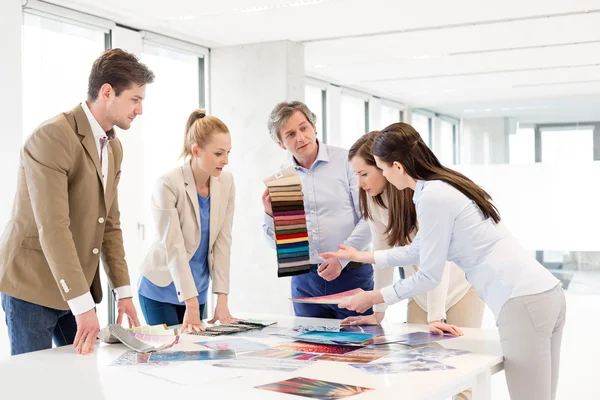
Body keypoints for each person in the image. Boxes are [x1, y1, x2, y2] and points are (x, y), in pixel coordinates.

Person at [321, 122, 565, 400]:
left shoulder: (431, 197)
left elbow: (429, 275)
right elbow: (418, 250)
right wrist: (361, 257)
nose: (384, 177)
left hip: (521, 301)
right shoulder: (442, 187)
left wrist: (375, 297)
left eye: (382, 169)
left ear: (397, 167)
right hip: (546, 293)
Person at [0, 48, 154, 356]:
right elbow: (53, 227)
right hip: (32, 285)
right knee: (37, 385)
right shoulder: (52, 137)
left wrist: (123, 293)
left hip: (77, 285)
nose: (139, 110)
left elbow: (109, 224)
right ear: (107, 92)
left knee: (82, 379)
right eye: (135, 100)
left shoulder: (113, 149)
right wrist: (83, 306)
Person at [346, 131, 485, 400]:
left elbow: (438, 264)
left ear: (384, 166)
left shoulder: (424, 197)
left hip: (459, 289)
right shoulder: (374, 203)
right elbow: (383, 259)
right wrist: (378, 312)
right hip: (420, 292)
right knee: (419, 374)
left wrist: (436, 315)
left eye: (364, 173)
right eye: (356, 175)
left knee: (462, 376)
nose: (360, 183)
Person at [262, 101, 373, 319]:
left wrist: (340, 259)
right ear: (281, 143)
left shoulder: (347, 162)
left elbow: (370, 219)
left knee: (360, 349)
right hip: (305, 281)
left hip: (351, 274)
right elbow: (278, 246)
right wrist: (269, 216)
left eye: (303, 128)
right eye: (291, 134)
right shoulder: (282, 177)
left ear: (314, 127)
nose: (301, 138)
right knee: (308, 349)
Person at [138, 109, 236, 333]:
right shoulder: (168, 183)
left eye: (229, 152)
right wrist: (190, 302)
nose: (226, 161)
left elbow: (223, 242)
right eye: (219, 153)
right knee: (169, 356)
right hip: (160, 288)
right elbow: (174, 246)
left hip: (197, 289)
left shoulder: (226, 183)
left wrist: (222, 299)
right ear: (196, 151)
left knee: (193, 357)